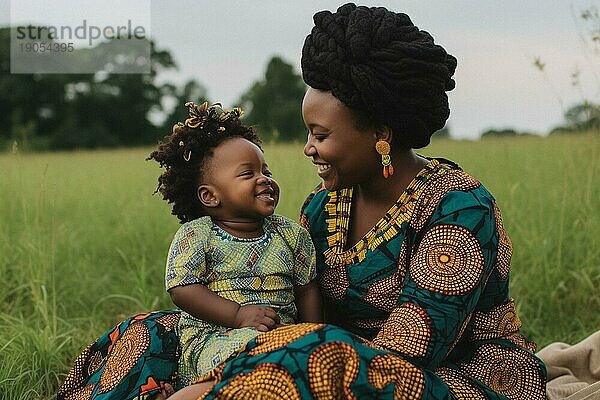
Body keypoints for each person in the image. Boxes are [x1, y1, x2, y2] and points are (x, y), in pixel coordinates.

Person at [57, 4, 547, 399]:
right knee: (161, 330)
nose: (308, 149)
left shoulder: (459, 210)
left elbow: (407, 355)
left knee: (314, 356)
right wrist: (233, 341)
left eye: (320, 134)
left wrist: (231, 373)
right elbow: (290, 308)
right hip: (324, 354)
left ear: (379, 133)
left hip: (451, 379)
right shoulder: (323, 206)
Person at [151, 101, 321, 393]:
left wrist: (317, 335)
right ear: (210, 196)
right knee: (253, 356)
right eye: (248, 174)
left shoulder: (292, 234)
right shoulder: (197, 235)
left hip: (281, 334)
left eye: (265, 171)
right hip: (215, 335)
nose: (264, 179)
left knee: (305, 357)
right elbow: (182, 289)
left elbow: (307, 289)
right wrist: (238, 315)